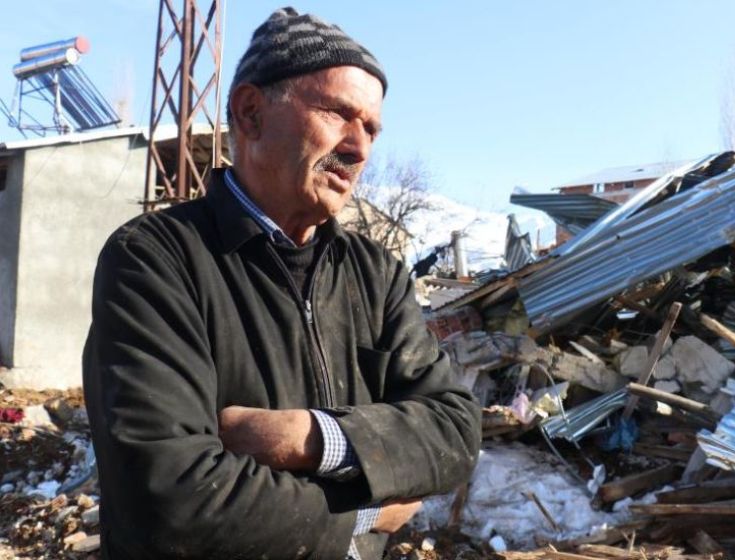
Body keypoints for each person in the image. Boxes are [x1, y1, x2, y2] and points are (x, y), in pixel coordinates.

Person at [82, 7, 481, 559]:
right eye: (340, 114)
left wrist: (311, 438)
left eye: (371, 128)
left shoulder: (375, 276)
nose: (360, 148)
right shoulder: (156, 259)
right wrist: (365, 510)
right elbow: (172, 499)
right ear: (250, 113)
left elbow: (456, 433)